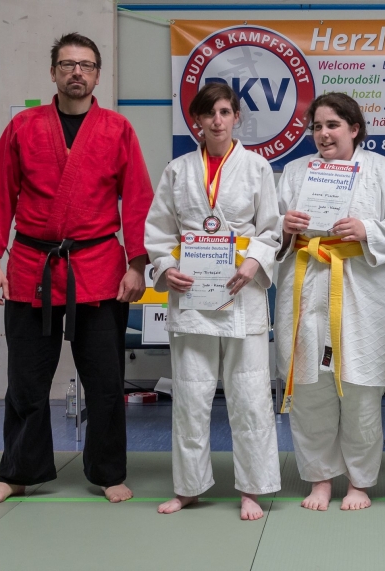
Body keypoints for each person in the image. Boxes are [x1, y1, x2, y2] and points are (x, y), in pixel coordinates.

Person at [0, 33, 153, 506]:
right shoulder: (24, 127)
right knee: (25, 380)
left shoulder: (117, 129)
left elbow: (138, 199)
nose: (76, 72)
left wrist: (136, 266)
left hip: (98, 266)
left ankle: (108, 472)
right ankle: (17, 473)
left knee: (105, 381)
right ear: (53, 72)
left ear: (97, 75)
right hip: (33, 265)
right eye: (67, 64)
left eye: (86, 65)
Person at [145, 83, 281, 521]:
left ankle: (252, 488)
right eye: (209, 114)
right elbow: (159, 230)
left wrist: (254, 261)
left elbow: (271, 230)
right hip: (193, 294)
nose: (217, 121)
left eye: (225, 112)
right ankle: (188, 487)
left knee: (250, 395)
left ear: (236, 117)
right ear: (197, 121)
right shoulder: (178, 170)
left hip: (242, 291)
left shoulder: (257, 168)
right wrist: (166, 268)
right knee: (190, 395)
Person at [275, 93, 385, 511]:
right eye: (317, 126)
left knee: (360, 391)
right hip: (306, 283)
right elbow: (269, 228)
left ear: (354, 128)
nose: (323, 134)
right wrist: (284, 226)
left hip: (363, 290)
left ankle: (358, 482)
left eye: (333, 125)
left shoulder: (384, 171)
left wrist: (367, 229)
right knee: (309, 389)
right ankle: (319, 479)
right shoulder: (295, 171)